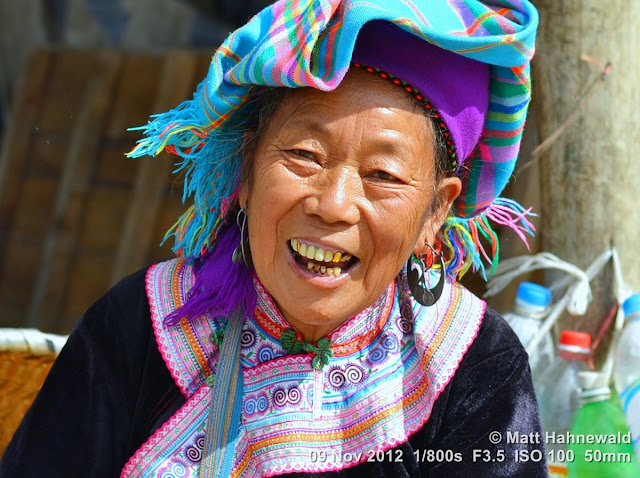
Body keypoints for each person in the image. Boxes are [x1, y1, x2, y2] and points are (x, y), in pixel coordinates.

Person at [0, 0, 546, 476]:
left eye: (383, 175)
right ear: (246, 169)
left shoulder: (476, 366)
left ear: (436, 211)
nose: (332, 205)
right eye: (305, 155)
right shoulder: (139, 327)